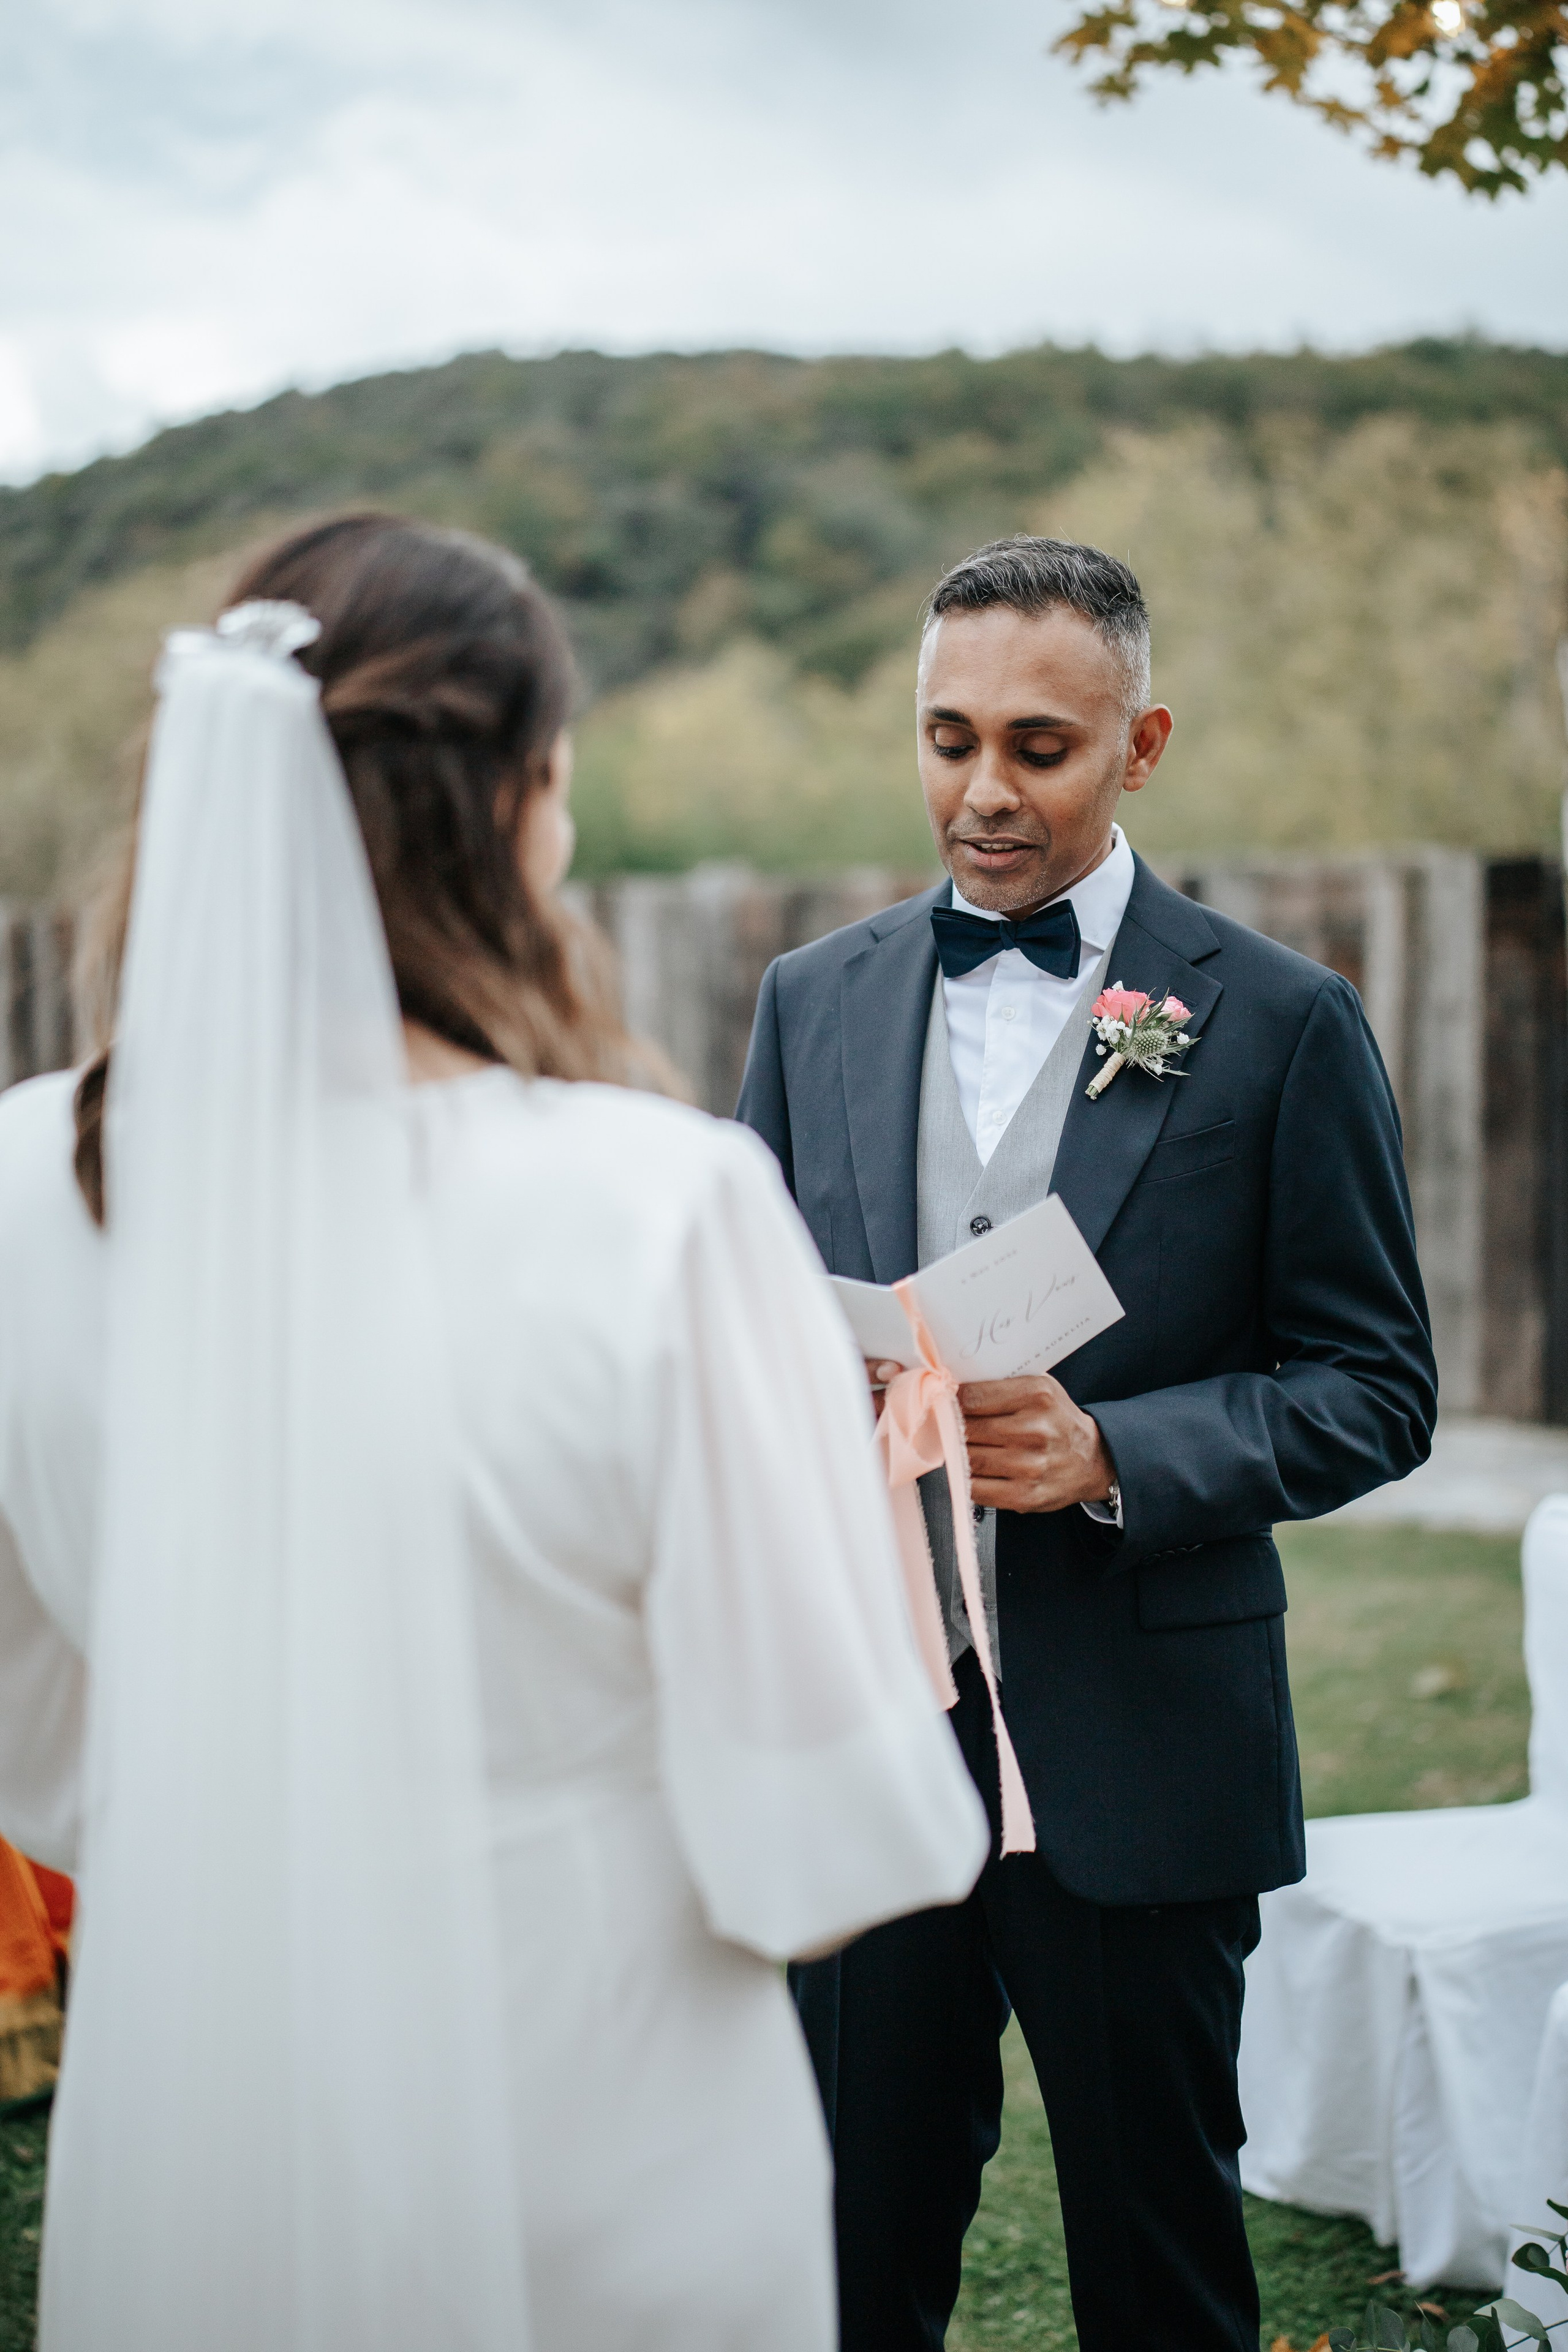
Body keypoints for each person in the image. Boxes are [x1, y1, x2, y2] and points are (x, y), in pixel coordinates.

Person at [0, 514, 989, 2352]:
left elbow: (42, 1737)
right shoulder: (661, 1206)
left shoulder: (23, 1195)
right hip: (603, 2159)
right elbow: (832, 1854)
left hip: (202, 2150)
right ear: (518, 800)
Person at [736, 534, 1439, 2352]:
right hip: (875, 1742)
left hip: (1142, 1755)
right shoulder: (813, 1003)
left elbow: (1375, 1383)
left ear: (1142, 746)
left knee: (1160, 2261)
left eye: (1039, 747)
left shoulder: (1281, 1021)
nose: (982, 792)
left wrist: (1118, 1454)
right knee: (846, 2244)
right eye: (946, 736)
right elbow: (751, 1327)